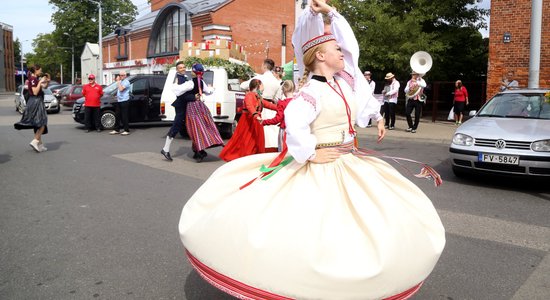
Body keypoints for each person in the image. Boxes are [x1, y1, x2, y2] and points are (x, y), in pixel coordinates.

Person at [179, 1, 445, 299]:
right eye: (336, 51)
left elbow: (351, 57)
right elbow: (295, 125)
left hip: (348, 160)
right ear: (320, 56)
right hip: (322, 164)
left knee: (371, 225)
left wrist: (330, 16)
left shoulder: (342, 84)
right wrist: (310, 153)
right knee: (310, 232)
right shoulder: (310, 92)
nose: (342, 54)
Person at [219, 79, 277, 161]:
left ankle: (253, 159)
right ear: (258, 86)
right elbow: (250, 106)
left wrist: (282, 108)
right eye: (262, 88)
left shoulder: (258, 97)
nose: (263, 90)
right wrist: (256, 115)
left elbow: (269, 105)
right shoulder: (249, 95)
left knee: (255, 142)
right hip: (248, 122)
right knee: (246, 142)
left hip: (256, 122)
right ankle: (245, 159)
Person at [184, 63, 224, 162]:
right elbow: (208, 91)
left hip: (192, 107)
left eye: (192, 71)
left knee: (195, 128)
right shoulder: (201, 82)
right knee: (203, 126)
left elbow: (182, 93)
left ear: (194, 72)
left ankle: (199, 151)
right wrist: (211, 89)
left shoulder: (190, 83)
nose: (191, 72)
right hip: (200, 106)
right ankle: (198, 149)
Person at [240, 58, 281, 151]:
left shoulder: (259, 78)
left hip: (259, 107)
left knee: (259, 134)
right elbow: (277, 98)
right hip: (269, 105)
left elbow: (242, 86)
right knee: (272, 133)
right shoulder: (277, 82)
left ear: (264, 66)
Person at [160, 61, 194, 161]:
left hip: (185, 105)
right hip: (181, 106)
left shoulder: (185, 77)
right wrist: (194, 96)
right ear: (177, 69)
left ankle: (198, 150)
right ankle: (165, 149)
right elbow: (181, 94)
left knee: (192, 126)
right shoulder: (178, 79)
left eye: (184, 67)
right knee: (176, 126)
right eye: (180, 68)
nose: (183, 69)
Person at [14, 65, 50, 152]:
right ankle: (35, 141)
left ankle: (40, 145)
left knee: (37, 123)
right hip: (36, 101)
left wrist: (47, 81)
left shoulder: (35, 79)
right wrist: (40, 81)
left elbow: (45, 87)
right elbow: (35, 92)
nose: (41, 72)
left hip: (36, 101)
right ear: (35, 70)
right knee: (42, 122)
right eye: (40, 70)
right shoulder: (33, 79)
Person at [261, 80, 296, 151]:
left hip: (286, 130)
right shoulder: (298, 101)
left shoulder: (282, 103)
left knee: (283, 152)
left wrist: (264, 122)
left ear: (283, 90)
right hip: (297, 130)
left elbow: (277, 119)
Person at [110, 71, 131, 135]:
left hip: (124, 101)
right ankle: (116, 129)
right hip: (119, 101)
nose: (120, 76)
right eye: (120, 75)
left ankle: (126, 130)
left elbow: (121, 89)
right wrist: (116, 96)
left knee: (124, 116)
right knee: (117, 115)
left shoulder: (126, 82)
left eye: (122, 75)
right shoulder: (121, 81)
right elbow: (119, 91)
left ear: (125, 75)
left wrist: (118, 82)